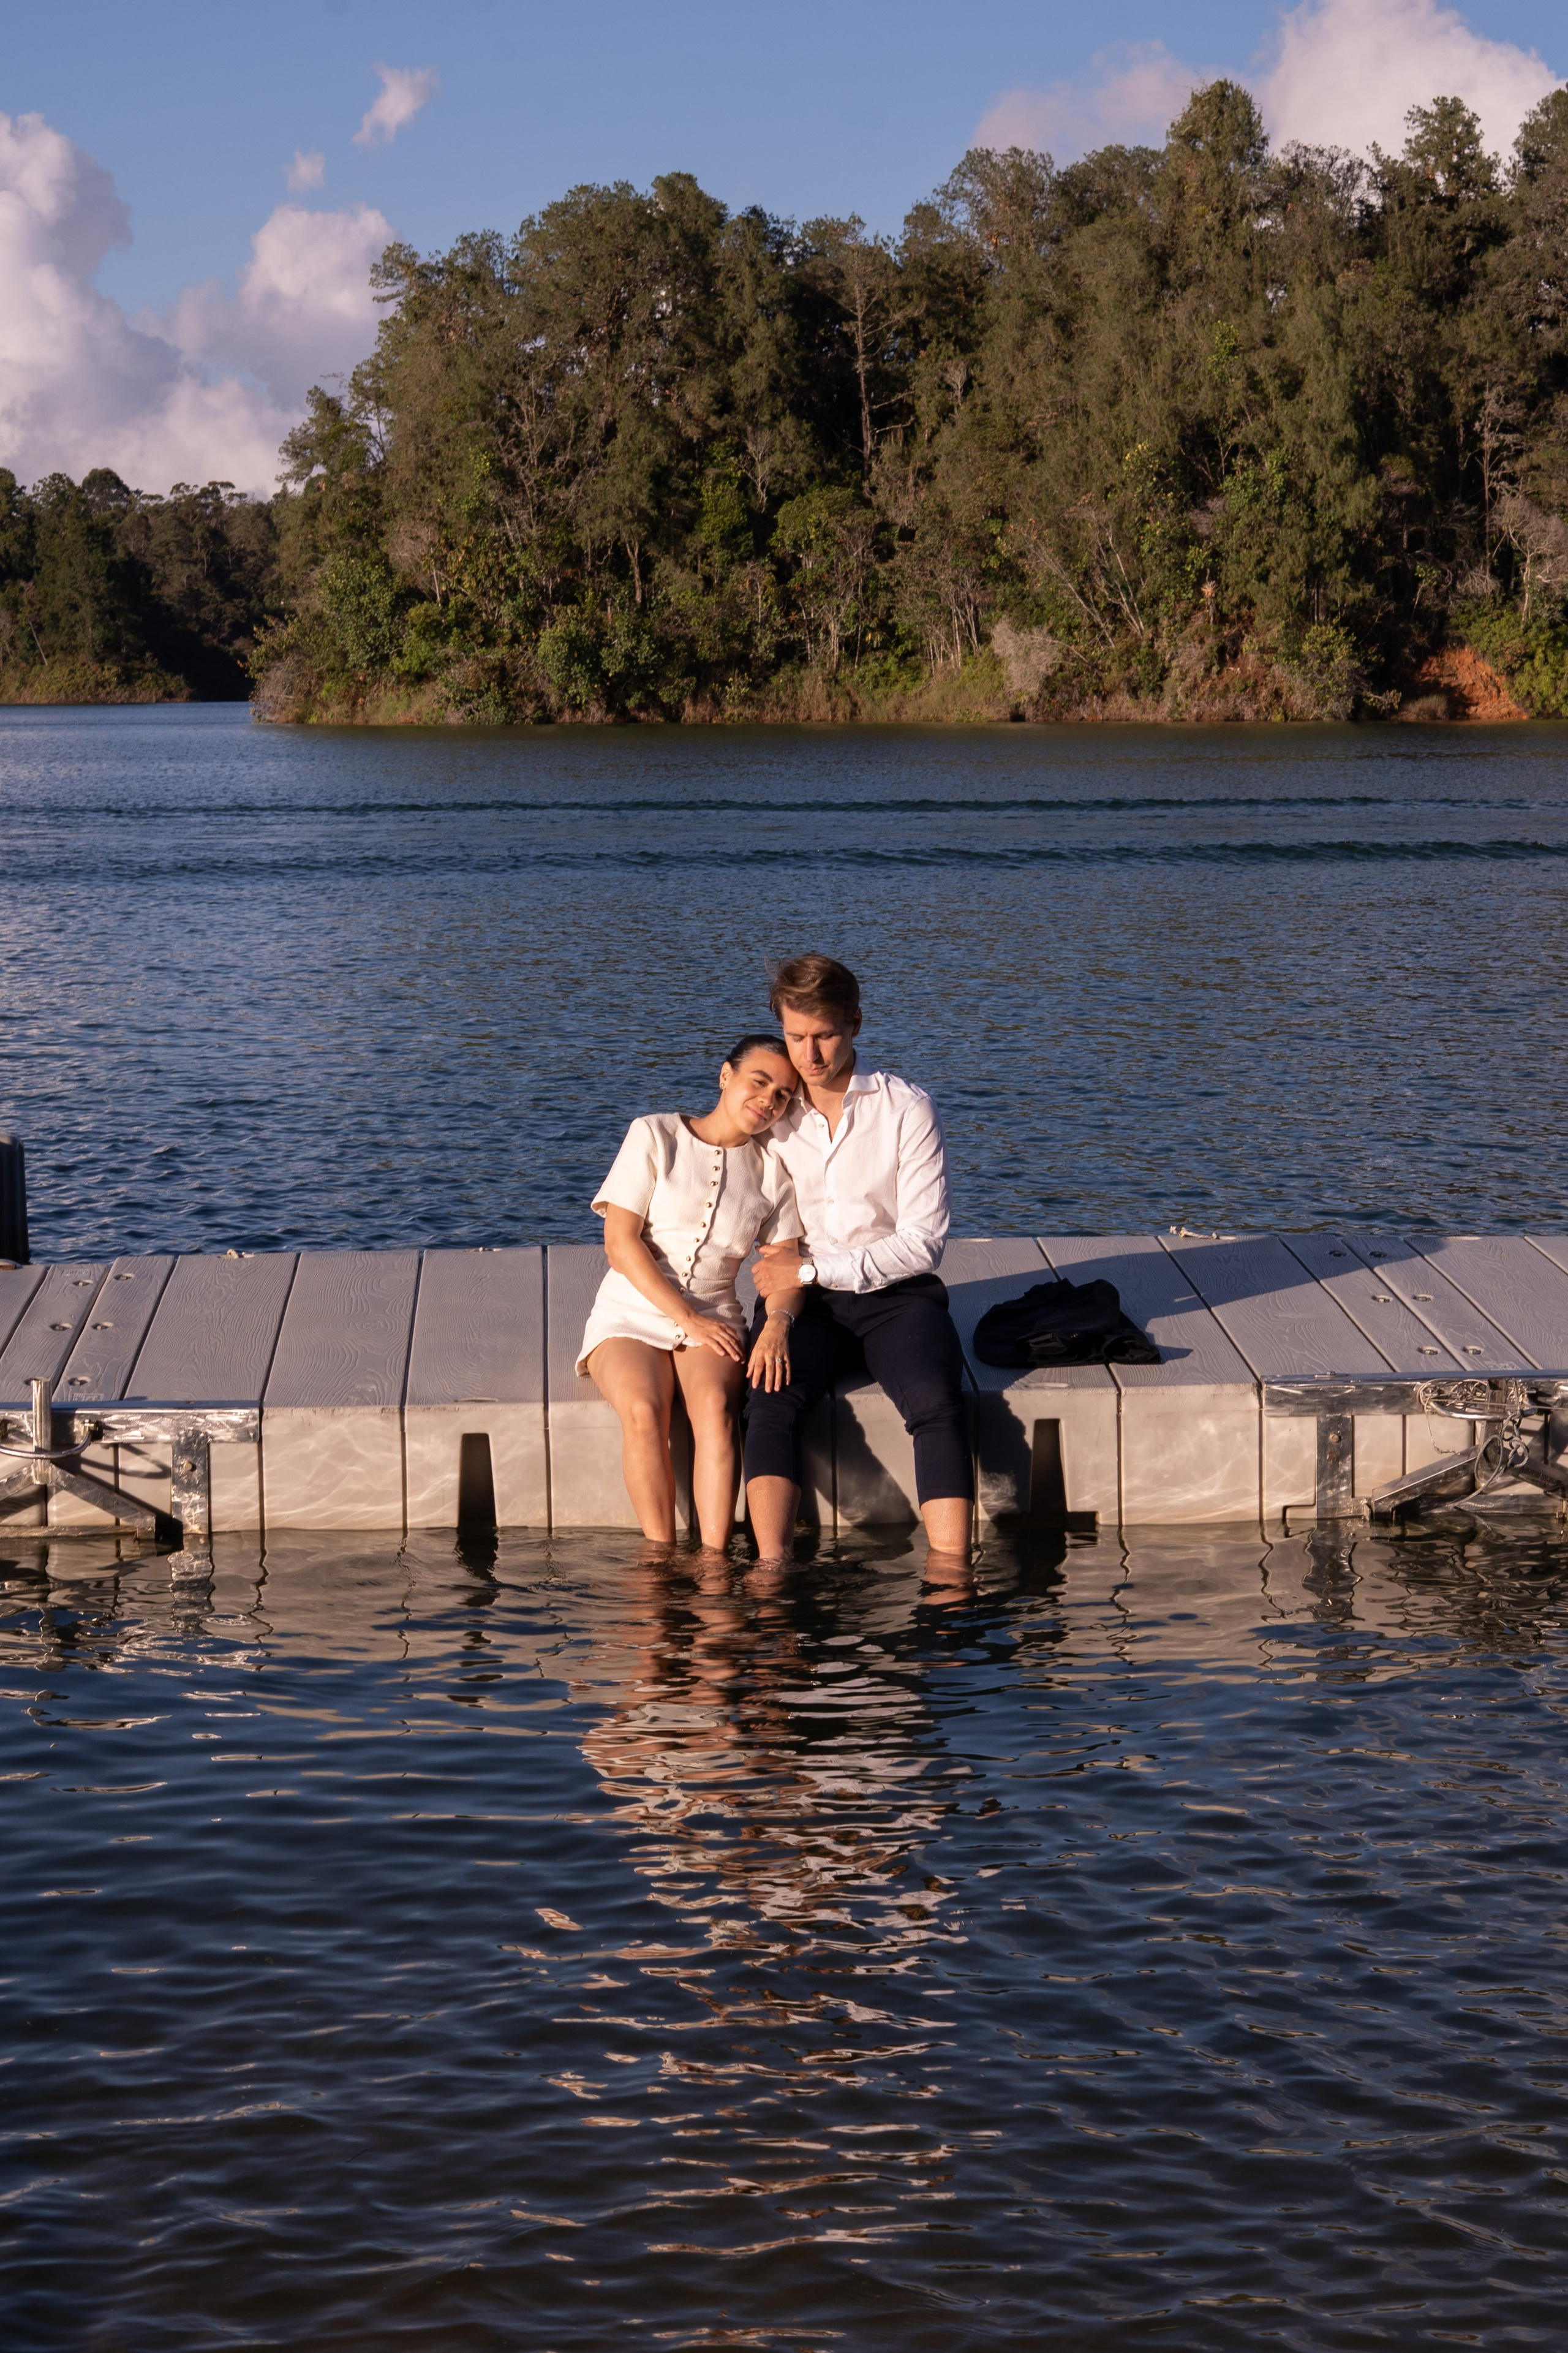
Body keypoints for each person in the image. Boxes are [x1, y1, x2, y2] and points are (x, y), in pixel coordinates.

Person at [743, 954, 974, 1569]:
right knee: (767, 1398)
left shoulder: (907, 1109)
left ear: (855, 1024)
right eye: (795, 1037)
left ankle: (951, 1576)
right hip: (803, 1303)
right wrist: (777, 1315)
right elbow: (775, 1239)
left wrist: (815, 1271)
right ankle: (771, 1570)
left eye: (823, 1036)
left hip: (898, 1296)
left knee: (935, 1400)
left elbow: (923, 1242)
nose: (809, 1055)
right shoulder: (771, 1118)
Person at [579, 1037, 807, 1551]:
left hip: (716, 1308)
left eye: (784, 1095)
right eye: (760, 1082)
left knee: (714, 1408)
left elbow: (785, 1271)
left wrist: (777, 1322)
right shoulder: (655, 1134)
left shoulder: (775, 1172)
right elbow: (619, 1243)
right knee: (643, 1409)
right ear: (726, 1075)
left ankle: (713, 1561)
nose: (770, 1100)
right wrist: (686, 1316)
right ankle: (660, 1558)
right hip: (631, 1307)